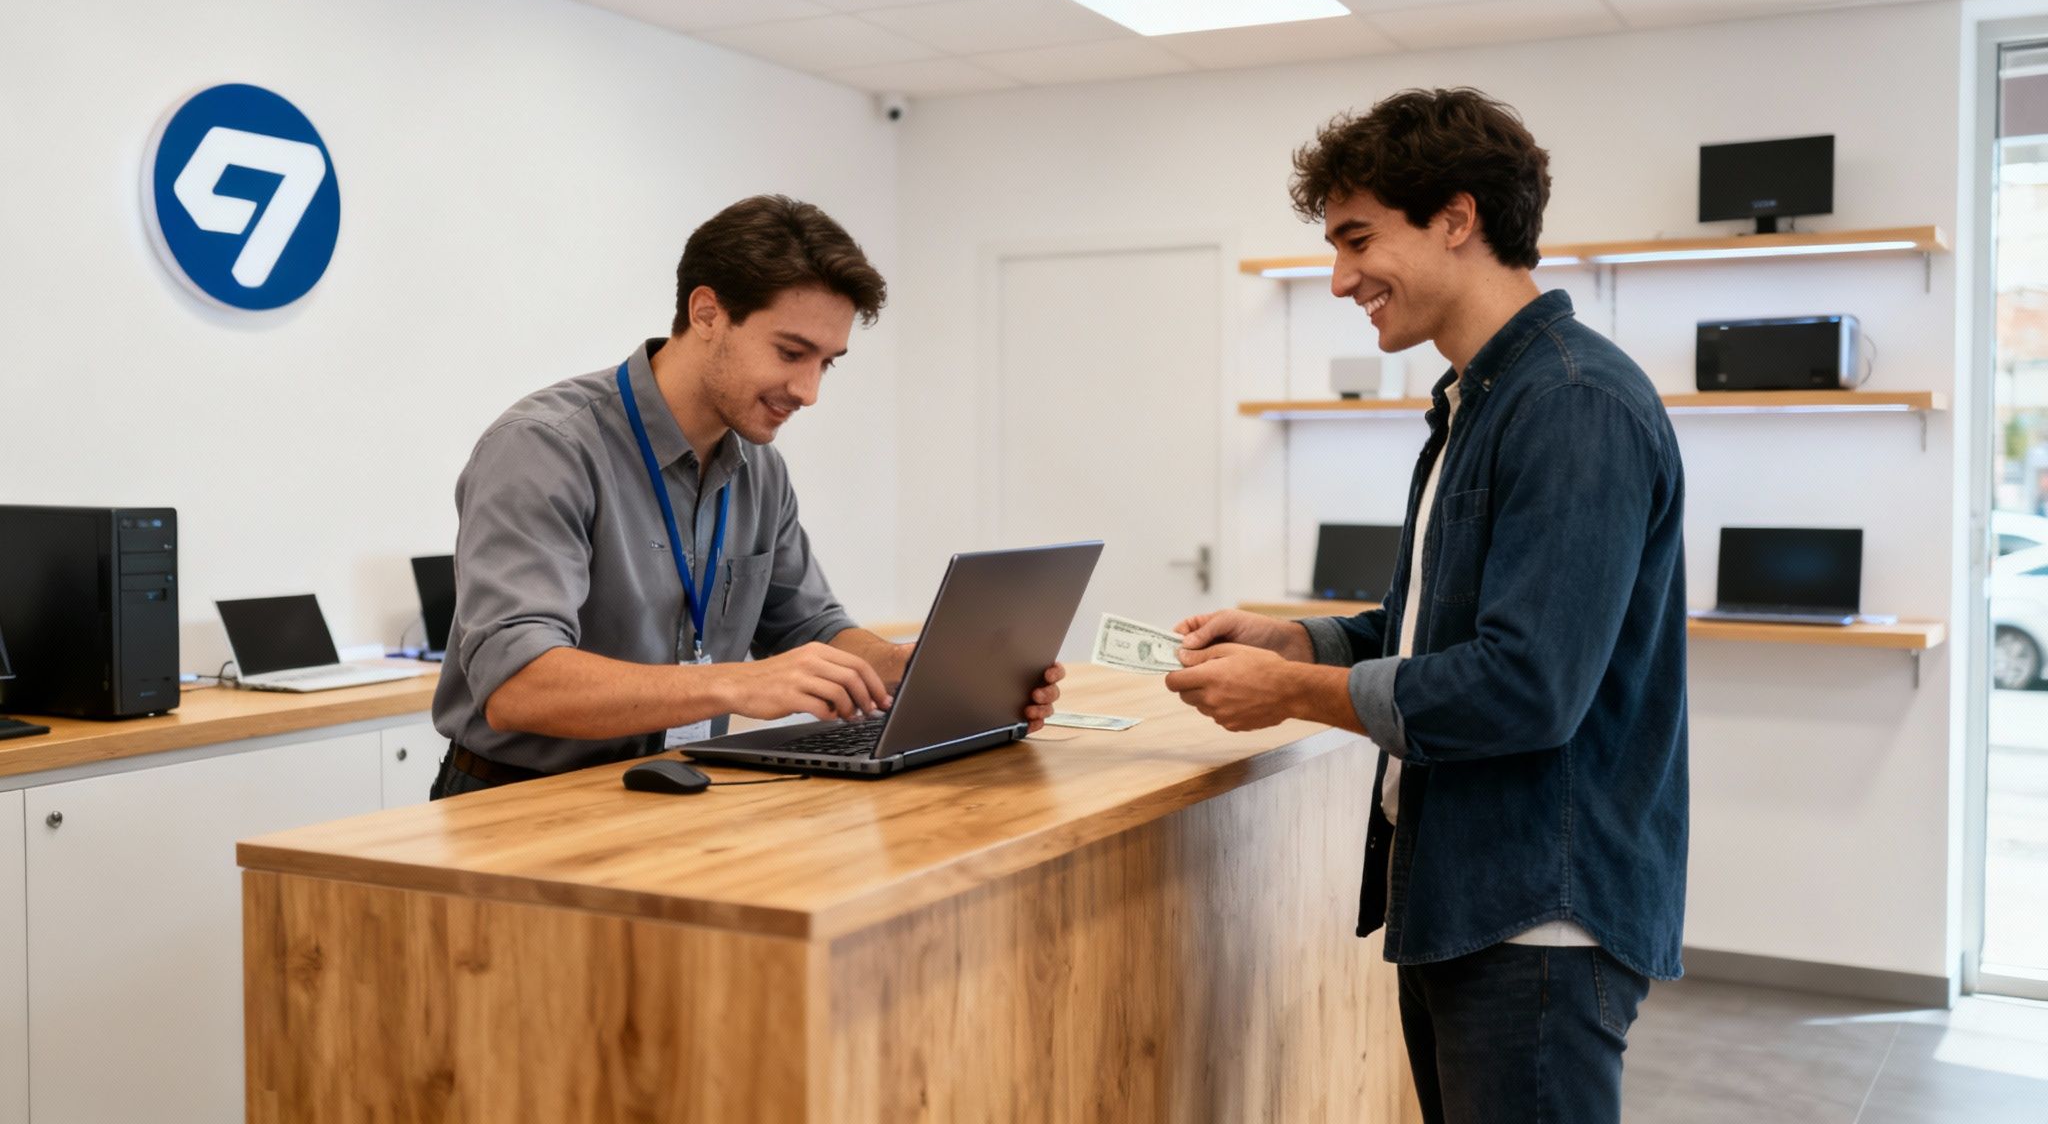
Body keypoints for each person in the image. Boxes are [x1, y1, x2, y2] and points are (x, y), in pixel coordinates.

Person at [1164, 89, 1688, 1123]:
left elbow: (1525, 686)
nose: (1339, 277)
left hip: (1536, 917)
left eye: (1358, 240)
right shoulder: (1479, 401)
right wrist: (1293, 638)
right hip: (1467, 900)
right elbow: (1427, 631)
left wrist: (1292, 690)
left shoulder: (1569, 404)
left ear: (1455, 219)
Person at [430, 194, 1064, 797]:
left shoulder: (759, 466)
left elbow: (806, 625)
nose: (809, 390)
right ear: (707, 313)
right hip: (516, 797)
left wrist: (902, 667)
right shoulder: (545, 447)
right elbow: (517, 683)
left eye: (827, 362)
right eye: (791, 352)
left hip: (671, 786)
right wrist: (732, 683)